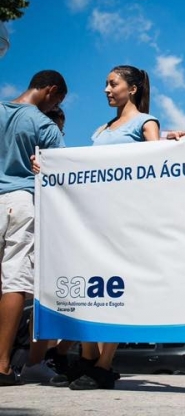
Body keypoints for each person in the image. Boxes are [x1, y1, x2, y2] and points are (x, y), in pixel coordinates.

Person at [49, 65, 185, 391]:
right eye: (106, 84)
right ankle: (86, 358)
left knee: (115, 292)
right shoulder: (101, 130)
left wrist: (172, 142)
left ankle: (104, 365)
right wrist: (49, 166)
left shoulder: (146, 123)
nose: (106, 89)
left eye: (113, 84)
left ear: (133, 89)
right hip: (93, 220)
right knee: (90, 290)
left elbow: (157, 163)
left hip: (126, 219)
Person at [0, 70, 67, 386]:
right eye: (58, 101)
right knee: (15, 280)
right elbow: (66, 174)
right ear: (51, 91)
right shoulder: (45, 125)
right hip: (22, 201)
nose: (55, 107)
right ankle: (1, 365)